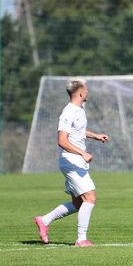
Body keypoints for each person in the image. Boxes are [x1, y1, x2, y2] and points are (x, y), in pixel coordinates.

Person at [33, 78, 109, 246]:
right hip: (71, 161)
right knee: (90, 198)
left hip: (76, 161)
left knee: (78, 203)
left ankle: (44, 220)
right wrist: (83, 153)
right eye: (86, 90)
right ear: (80, 93)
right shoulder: (68, 112)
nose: (88, 92)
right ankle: (81, 239)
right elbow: (62, 140)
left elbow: (78, 131)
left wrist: (95, 136)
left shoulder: (79, 109)